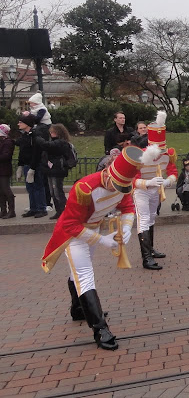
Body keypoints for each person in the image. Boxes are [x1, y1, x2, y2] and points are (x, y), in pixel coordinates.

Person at [41, 146, 144, 350]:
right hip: (75, 235)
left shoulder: (124, 183)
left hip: (94, 229)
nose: (118, 191)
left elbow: (127, 207)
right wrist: (102, 240)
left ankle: (78, 309)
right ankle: (100, 329)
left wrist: (126, 229)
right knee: (85, 275)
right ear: (107, 172)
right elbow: (71, 225)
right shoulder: (84, 187)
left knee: (77, 273)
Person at [132, 112, 178, 271]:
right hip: (141, 191)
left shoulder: (166, 154)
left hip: (156, 191)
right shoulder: (139, 156)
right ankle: (146, 258)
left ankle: (150, 249)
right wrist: (148, 182)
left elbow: (173, 172)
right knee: (143, 219)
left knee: (152, 218)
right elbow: (132, 179)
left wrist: (167, 181)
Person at [35, 123, 73, 220]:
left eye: (53, 132)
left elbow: (46, 145)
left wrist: (38, 136)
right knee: (53, 192)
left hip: (57, 169)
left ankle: (64, 211)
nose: (51, 133)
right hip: (51, 169)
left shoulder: (61, 143)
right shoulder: (54, 142)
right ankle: (59, 211)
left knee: (57, 191)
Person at [16, 113, 47, 218]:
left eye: (21, 122)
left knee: (38, 186)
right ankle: (33, 208)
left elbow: (36, 153)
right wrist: (20, 165)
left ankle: (41, 208)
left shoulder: (35, 135)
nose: (18, 124)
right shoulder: (25, 135)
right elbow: (22, 151)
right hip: (26, 164)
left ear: (27, 124)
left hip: (35, 165)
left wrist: (33, 168)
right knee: (30, 188)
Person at [0, 124, 15, 219]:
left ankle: (11, 210)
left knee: (6, 190)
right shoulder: (2, 142)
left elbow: (6, 156)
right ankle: (3, 210)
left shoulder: (8, 143)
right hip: (1, 169)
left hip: (4, 170)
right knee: (0, 191)